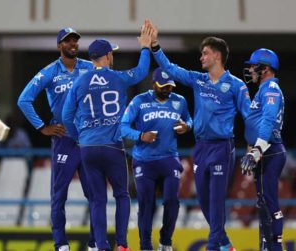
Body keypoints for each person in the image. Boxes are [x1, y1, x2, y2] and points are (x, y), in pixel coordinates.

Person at [145, 20, 251, 251]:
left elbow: (249, 117)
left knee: (215, 202)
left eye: (205, 53)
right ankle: (225, 244)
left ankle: (214, 247)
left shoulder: (236, 85)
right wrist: (155, 47)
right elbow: (171, 69)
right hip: (201, 147)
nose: (201, 57)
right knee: (203, 202)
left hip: (223, 147)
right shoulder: (198, 80)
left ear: (217, 56)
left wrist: (254, 145)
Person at [62, 23, 152, 251]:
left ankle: (101, 246)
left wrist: (79, 137)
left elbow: (66, 116)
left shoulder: (80, 81)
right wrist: (144, 48)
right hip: (112, 147)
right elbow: (141, 72)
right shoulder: (119, 78)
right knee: (122, 195)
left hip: (89, 148)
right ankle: (121, 244)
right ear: (108, 55)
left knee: (97, 200)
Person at [17, 28, 96, 251]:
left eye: (75, 41)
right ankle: (61, 244)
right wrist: (43, 127)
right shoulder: (50, 71)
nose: (72, 44)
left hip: (89, 139)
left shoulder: (90, 68)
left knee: (95, 195)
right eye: (67, 41)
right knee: (59, 194)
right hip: (64, 141)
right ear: (59, 45)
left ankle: (94, 243)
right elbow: (24, 100)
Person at [120, 68, 193, 251]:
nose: (167, 89)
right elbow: (122, 127)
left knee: (171, 201)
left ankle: (165, 241)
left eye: (170, 86)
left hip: (169, 159)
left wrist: (187, 126)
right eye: (163, 86)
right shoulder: (139, 101)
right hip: (144, 161)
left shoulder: (180, 101)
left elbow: (189, 120)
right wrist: (141, 135)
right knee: (146, 204)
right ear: (153, 84)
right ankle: (145, 245)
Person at [241, 48, 286, 251]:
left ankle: (274, 249)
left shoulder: (270, 90)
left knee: (270, 205)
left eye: (253, 66)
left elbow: (268, 121)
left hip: (270, 152)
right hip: (267, 152)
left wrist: (257, 150)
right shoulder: (265, 89)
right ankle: (266, 247)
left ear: (265, 69)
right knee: (264, 205)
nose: (250, 69)